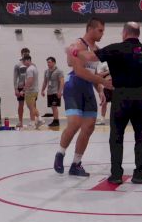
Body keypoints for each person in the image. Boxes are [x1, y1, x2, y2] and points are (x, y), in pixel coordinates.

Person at [75, 21, 142, 184]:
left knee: (116, 136)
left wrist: (74, 51)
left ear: (124, 33)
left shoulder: (115, 48)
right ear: (137, 34)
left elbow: (89, 57)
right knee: (141, 136)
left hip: (122, 96)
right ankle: (140, 173)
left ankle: (116, 174)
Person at [53, 17, 111, 177]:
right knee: (75, 123)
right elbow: (80, 72)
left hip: (88, 87)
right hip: (74, 86)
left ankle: (76, 164)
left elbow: (92, 73)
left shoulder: (96, 48)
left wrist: (99, 90)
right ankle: (60, 153)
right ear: (90, 29)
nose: (102, 34)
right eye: (100, 30)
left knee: (89, 126)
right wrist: (103, 83)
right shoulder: (77, 46)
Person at [21, 54, 45, 129]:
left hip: (30, 91)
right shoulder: (34, 68)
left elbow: (30, 80)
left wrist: (23, 90)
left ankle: (33, 122)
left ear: (28, 60)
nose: (23, 63)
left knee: (31, 107)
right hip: (34, 90)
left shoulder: (30, 69)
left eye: (24, 61)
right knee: (32, 106)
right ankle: (40, 119)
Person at [41, 57, 64, 127]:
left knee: (54, 106)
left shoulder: (59, 71)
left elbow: (62, 82)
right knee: (52, 106)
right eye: (47, 62)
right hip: (49, 92)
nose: (48, 64)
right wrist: (42, 90)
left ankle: (56, 121)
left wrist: (60, 91)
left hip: (55, 91)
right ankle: (55, 120)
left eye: (49, 62)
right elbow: (45, 82)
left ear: (54, 62)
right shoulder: (46, 71)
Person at [13, 48, 30, 127]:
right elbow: (15, 77)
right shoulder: (17, 65)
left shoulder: (31, 65)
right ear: (21, 54)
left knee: (32, 105)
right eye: (24, 53)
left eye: (27, 53)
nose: (26, 54)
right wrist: (16, 89)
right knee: (21, 105)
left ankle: (33, 121)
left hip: (29, 87)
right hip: (20, 87)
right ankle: (20, 121)